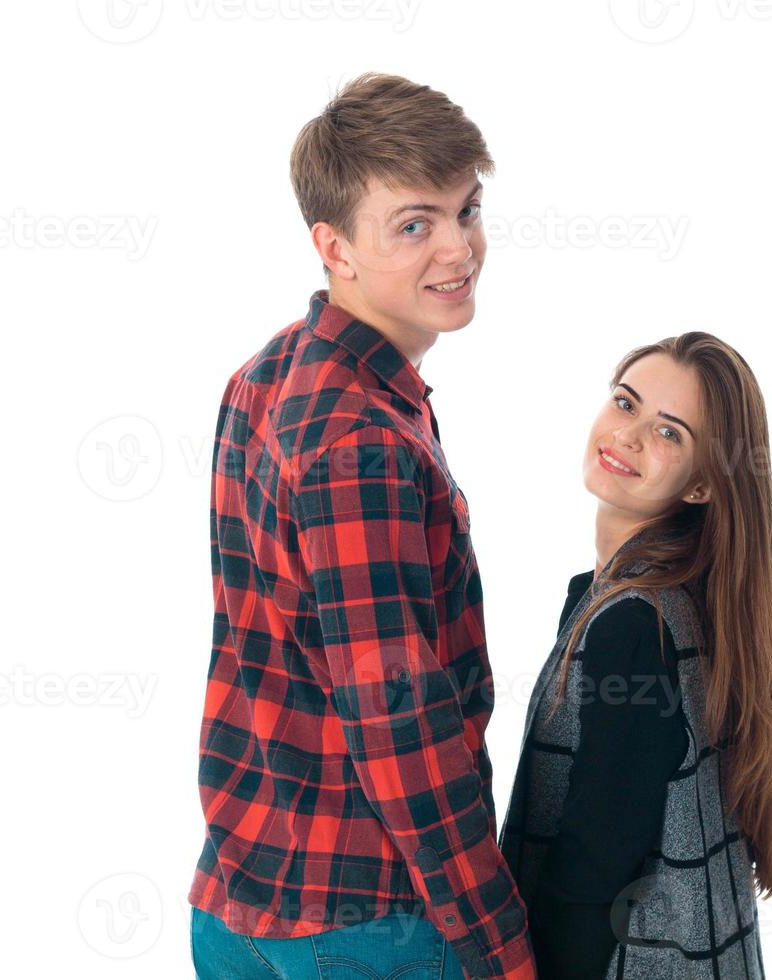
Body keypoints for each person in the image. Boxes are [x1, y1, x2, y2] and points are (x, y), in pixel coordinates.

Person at [187, 73, 537, 979]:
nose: (459, 248)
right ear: (333, 245)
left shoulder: (268, 374)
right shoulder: (361, 443)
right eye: (414, 224)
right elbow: (399, 720)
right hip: (367, 927)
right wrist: (499, 943)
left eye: (468, 209)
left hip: (239, 900)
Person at [498, 333, 772, 979]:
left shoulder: (633, 626)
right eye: (626, 403)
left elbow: (591, 871)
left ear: (702, 487)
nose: (627, 435)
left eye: (670, 434)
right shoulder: (677, 600)